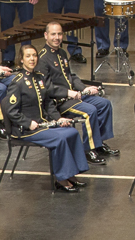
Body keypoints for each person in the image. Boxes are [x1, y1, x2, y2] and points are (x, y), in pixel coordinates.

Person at [2, 43, 90, 193]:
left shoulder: (40, 78)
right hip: (27, 129)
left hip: (44, 124)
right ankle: (61, 179)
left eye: (34, 56)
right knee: (59, 139)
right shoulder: (17, 83)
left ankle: (72, 174)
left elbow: (48, 102)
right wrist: (28, 123)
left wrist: (58, 118)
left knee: (71, 132)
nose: (32, 59)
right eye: (28, 56)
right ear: (21, 60)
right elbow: (11, 110)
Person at [37, 21, 116, 163]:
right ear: (45, 36)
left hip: (74, 97)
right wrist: (68, 93)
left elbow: (71, 76)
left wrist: (83, 88)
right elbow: (46, 87)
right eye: (53, 34)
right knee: (90, 111)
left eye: (59, 34)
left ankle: (99, 144)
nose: (57, 37)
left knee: (104, 104)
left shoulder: (61, 52)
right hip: (60, 102)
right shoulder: (42, 58)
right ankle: (89, 149)